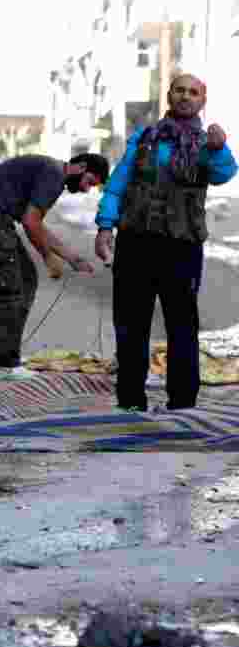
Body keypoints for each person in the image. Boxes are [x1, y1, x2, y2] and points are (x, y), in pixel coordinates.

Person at [94, 73, 237, 412]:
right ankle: (130, 402)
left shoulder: (207, 144)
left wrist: (218, 149)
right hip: (135, 242)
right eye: (180, 90)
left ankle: (182, 405)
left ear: (202, 100)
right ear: (169, 96)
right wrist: (104, 226)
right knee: (130, 326)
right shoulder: (145, 137)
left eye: (194, 92)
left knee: (182, 327)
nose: (186, 96)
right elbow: (118, 183)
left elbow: (223, 173)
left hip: (181, 246)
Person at [0, 152, 108, 380]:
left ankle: (3, 350)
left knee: (26, 277)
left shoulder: (50, 171)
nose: (87, 189)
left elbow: (37, 224)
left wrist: (72, 258)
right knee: (10, 285)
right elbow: (31, 222)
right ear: (80, 167)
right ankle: (3, 362)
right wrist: (48, 257)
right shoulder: (54, 175)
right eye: (89, 182)